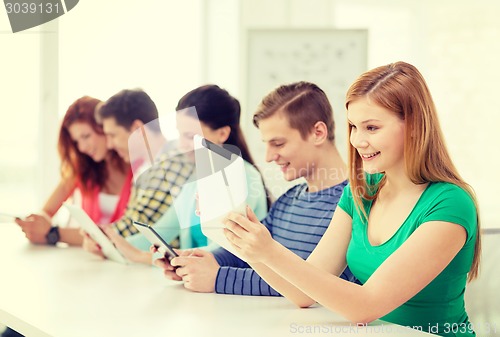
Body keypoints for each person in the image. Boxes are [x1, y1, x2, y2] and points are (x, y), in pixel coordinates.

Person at [221, 62, 481, 336]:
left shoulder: (450, 204)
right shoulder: (362, 190)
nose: (357, 140)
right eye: (353, 127)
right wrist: (252, 248)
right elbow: (303, 293)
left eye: (371, 127)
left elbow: (365, 306)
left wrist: (270, 251)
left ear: (415, 125)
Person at [156, 81, 356, 294]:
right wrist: (197, 261)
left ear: (318, 133)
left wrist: (217, 277)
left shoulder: (355, 204)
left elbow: (311, 283)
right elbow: (249, 253)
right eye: (266, 145)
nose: (269, 157)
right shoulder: (288, 200)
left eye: (278, 144)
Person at [103, 84, 269, 265]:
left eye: (190, 136)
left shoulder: (246, 177)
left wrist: (152, 257)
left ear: (222, 133)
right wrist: (110, 244)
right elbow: (163, 231)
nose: (181, 146)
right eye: (180, 135)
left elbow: (226, 249)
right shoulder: (196, 179)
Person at [82, 89, 194, 257]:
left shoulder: (172, 164)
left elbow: (137, 225)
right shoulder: (147, 169)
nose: (110, 144)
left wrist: (99, 237)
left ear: (137, 129)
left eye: (113, 135)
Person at [15, 96, 132, 246]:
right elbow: (47, 211)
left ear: (105, 127)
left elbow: (124, 235)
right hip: (87, 260)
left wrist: (54, 233)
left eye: (86, 136)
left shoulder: (136, 169)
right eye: (77, 141)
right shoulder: (82, 170)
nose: (82, 147)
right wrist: (36, 222)